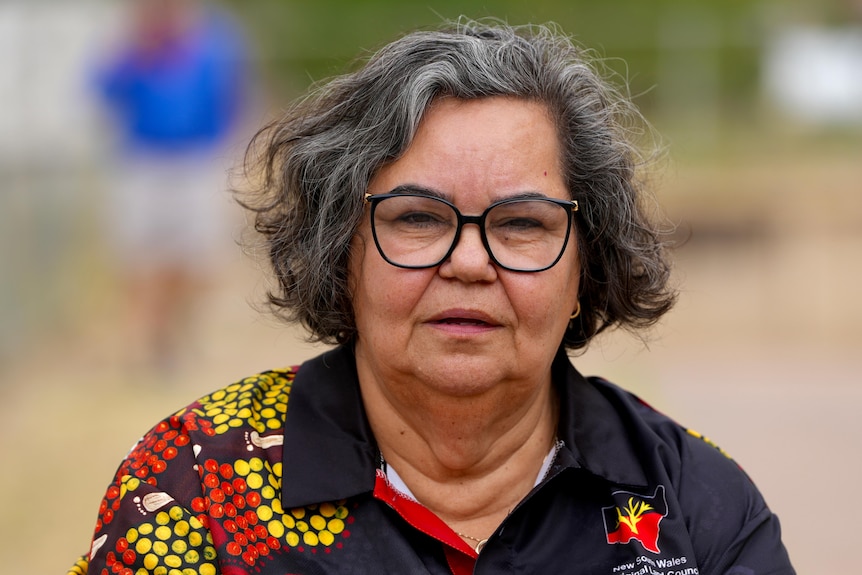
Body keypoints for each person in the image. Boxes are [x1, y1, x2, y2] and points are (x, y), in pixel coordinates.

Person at [69, 20, 795, 575]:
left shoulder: (697, 504)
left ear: (585, 267)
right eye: (417, 218)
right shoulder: (192, 487)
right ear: (339, 252)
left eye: (521, 224)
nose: (471, 262)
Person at [93, 0, 247, 372]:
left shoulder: (214, 37)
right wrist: (135, 54)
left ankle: (176, 333)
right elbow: (103, 91)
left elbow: (230, 96)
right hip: (142, 162)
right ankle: (147, 340)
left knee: (194, 259)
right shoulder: (131, 40)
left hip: (196, 161)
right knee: (141, 259)